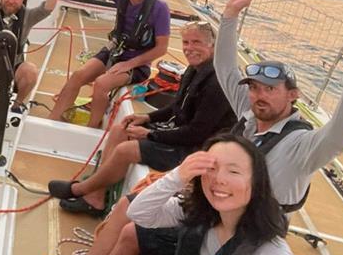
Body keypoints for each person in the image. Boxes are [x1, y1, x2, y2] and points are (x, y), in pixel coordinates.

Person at [33, 0, 343, 255]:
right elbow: (225, 67)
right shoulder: (250, 117)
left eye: (270, 89)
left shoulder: (302, 148)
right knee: (132, 207)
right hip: (212, 213)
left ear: (293, 96)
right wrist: (231, 14)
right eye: (255, 89)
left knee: (132, 234)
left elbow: (340, 135)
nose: (258, 95)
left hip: (239, 240)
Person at [29, 134, 310, 255]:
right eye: (210, 169)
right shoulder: (202, 217)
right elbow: (138, 214)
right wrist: (178, 176)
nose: (219, 181)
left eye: (234, 172)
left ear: (257, 182)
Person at [48, 21, 236, 217]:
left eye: (196, 42)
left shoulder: (217, 83)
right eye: (186, 42)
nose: (189, 49)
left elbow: (197, 133)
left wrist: (150, 134)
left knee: (124, 151)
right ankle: (95, 195)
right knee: (120, 129)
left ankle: (80, 190)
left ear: (213, 45)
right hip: (184, 135)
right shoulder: (194, 69)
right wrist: (145, 117)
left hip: (197, 149)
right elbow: (176, 107)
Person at [49, 0, 170, 128]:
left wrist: (128, 64)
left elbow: (161, 48)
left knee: (101, 84)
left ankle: (92, 128)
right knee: (77, 76)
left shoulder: (159, 7)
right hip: (115, 52)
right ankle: (53, 121)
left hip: (137, 65)